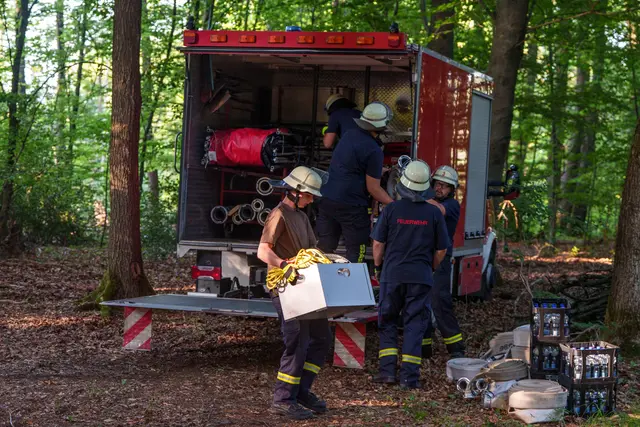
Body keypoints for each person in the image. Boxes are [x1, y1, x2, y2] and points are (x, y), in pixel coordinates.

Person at [257, 166, 330, 420]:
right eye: (309, 195)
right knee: (297, 341)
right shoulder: (278, 215)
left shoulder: (301, 216)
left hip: (304, 286)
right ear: (296, 192)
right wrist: (283, 265)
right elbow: (263, 251)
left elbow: (311, 250)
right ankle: (283, 399)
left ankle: (301, 391)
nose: (312, 199)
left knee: (321, 338)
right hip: (284, 286)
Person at [370, 160, 449, 389]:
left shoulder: (391, 210)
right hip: (420, 277)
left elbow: (378, 243)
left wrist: (378, 267)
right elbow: (442, 249)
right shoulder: (434, 213)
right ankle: (409, 378)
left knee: (388, 321)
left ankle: (387, 373)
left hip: (392, 275)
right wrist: (430, 267)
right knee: (415, 325)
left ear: (403, 184)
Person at [316, 101, 394, 263]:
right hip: (351, 206)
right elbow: (373, 188)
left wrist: (377, 171)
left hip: (327, 200)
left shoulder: (349, 135)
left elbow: (350, 165)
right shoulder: (374, 149)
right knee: (355, 254)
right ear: (382, 126)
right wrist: (394, 204)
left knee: (323, 251)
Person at [422, 165, 465, 359]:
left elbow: (438, 210)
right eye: (437, 184)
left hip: (441, 258)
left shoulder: (452, 205)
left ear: (451, 190)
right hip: (423, 256)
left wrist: (416, 195)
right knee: (420, 302)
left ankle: (456, 348)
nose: (439, 188)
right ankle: (424, 347)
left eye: (444, 186)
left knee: (440, 301)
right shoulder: (426, 202)